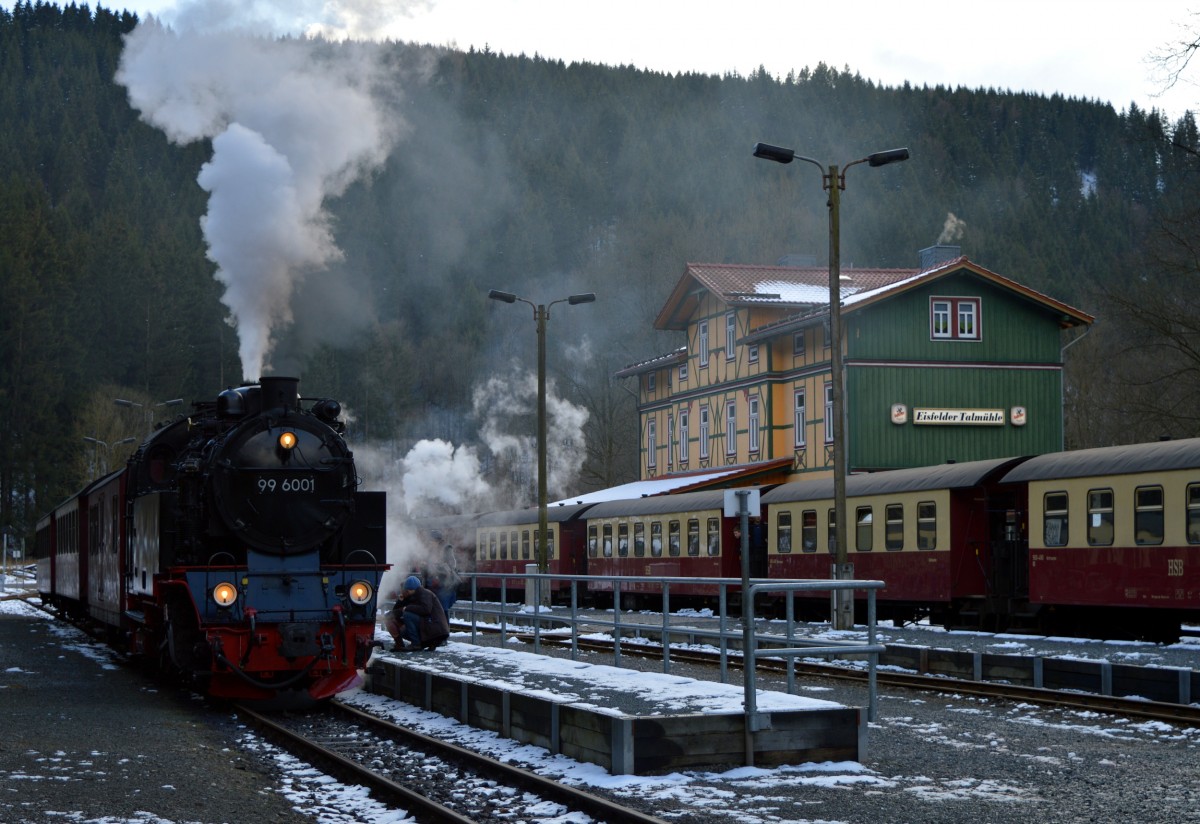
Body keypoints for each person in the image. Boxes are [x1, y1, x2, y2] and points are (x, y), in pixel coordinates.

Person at [384, 575, 449, 651]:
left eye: (407, 590)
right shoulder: (413, 596)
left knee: (407, 614)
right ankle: (401, 645)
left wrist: (407, 608)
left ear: (410, 590)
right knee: (400, 625)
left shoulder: (425, 593)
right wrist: (401, 601)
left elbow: (426, 610)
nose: (405, 592)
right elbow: (398, 612)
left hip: (433, 628)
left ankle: (416, 644)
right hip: (427, 625)